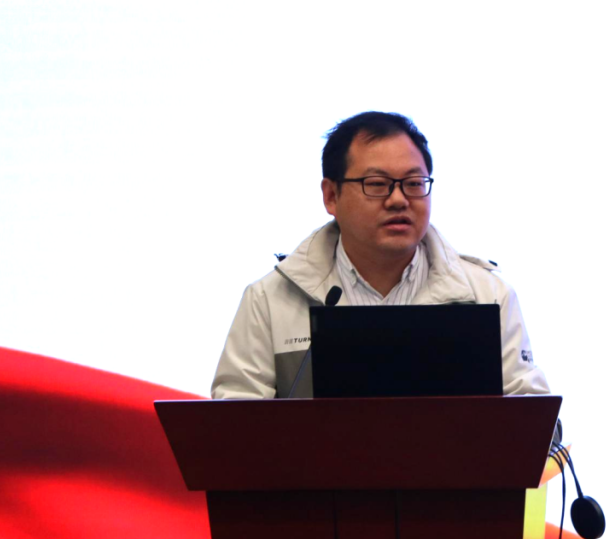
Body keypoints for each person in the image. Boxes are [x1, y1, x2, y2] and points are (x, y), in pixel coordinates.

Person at [211, 111, 549, 399]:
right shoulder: (270, 301)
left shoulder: (487, 295)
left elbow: (532, 417)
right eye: (376, 184)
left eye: (414, 183)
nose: (399, 199)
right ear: (331, 196)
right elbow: (234, 428)